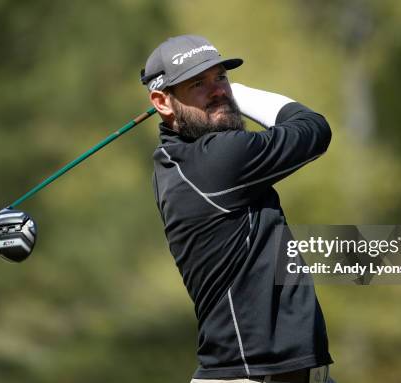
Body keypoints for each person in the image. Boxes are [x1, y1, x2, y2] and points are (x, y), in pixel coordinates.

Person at [141, 35, 334, 383]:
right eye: (198, 84)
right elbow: (314, 129)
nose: (217, 91)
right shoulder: (216, 159)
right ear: (162, 102)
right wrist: (241, 95)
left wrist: (220, 93)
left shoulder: (177, 162)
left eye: (221, 78)